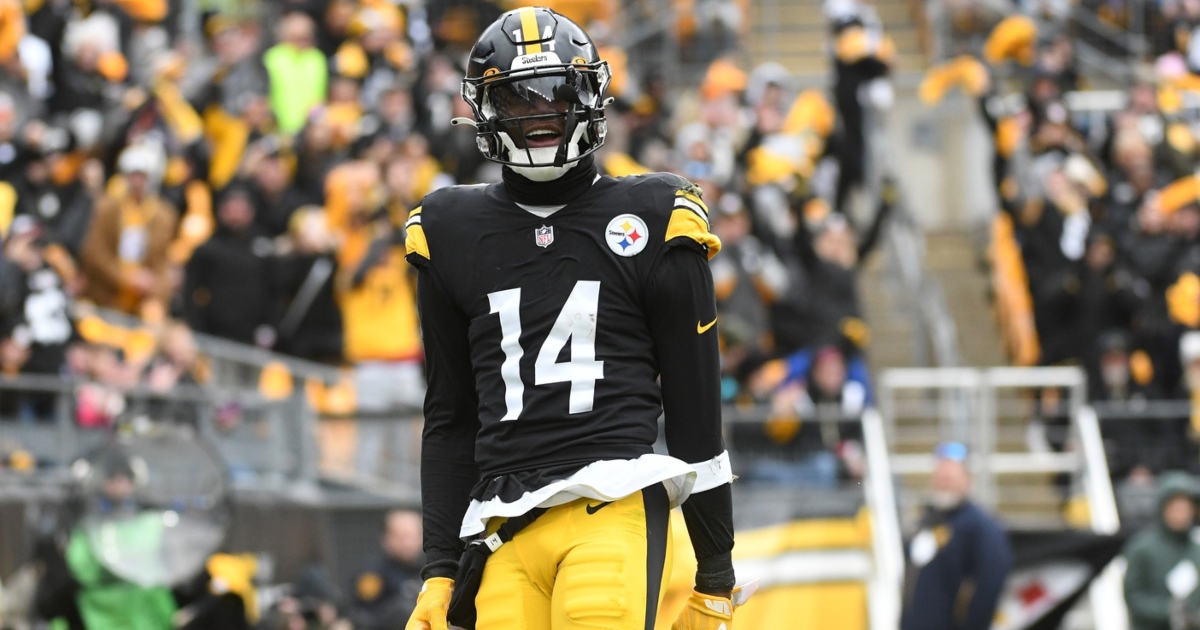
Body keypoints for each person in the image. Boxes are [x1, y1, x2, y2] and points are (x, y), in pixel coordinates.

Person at [403, 8, 739, 630]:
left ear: (589, 97)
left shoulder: (654, 213)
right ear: (483, 110)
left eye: (555, 97)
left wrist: (716, 572)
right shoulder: (450, 228)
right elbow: (450, 417)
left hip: (609, 503)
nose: (537, 116)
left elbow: (695, 407)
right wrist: (440, 568)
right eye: (517, 101)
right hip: (502, 527)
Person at [901, 442, 1012, 630]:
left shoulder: (980, 527)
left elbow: (990, 585)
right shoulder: (926, 523)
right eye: (941, 475)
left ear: (968, 480)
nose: (944, 480)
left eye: (951, 476)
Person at [1124, 472, 1200, 630]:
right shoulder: (1142, 548)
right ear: (1163, 509)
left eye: (1185, 508)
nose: (1181, 514)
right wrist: (1168, 610)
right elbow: (1133, 597)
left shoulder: (1196, 549)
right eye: (1175, 508)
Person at [348, 509, 425, 630]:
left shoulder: (430, 571)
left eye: (413, 536)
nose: (408, 543)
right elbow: (362, 617)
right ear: (386, 538)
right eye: (402, 537)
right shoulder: (372, 574)